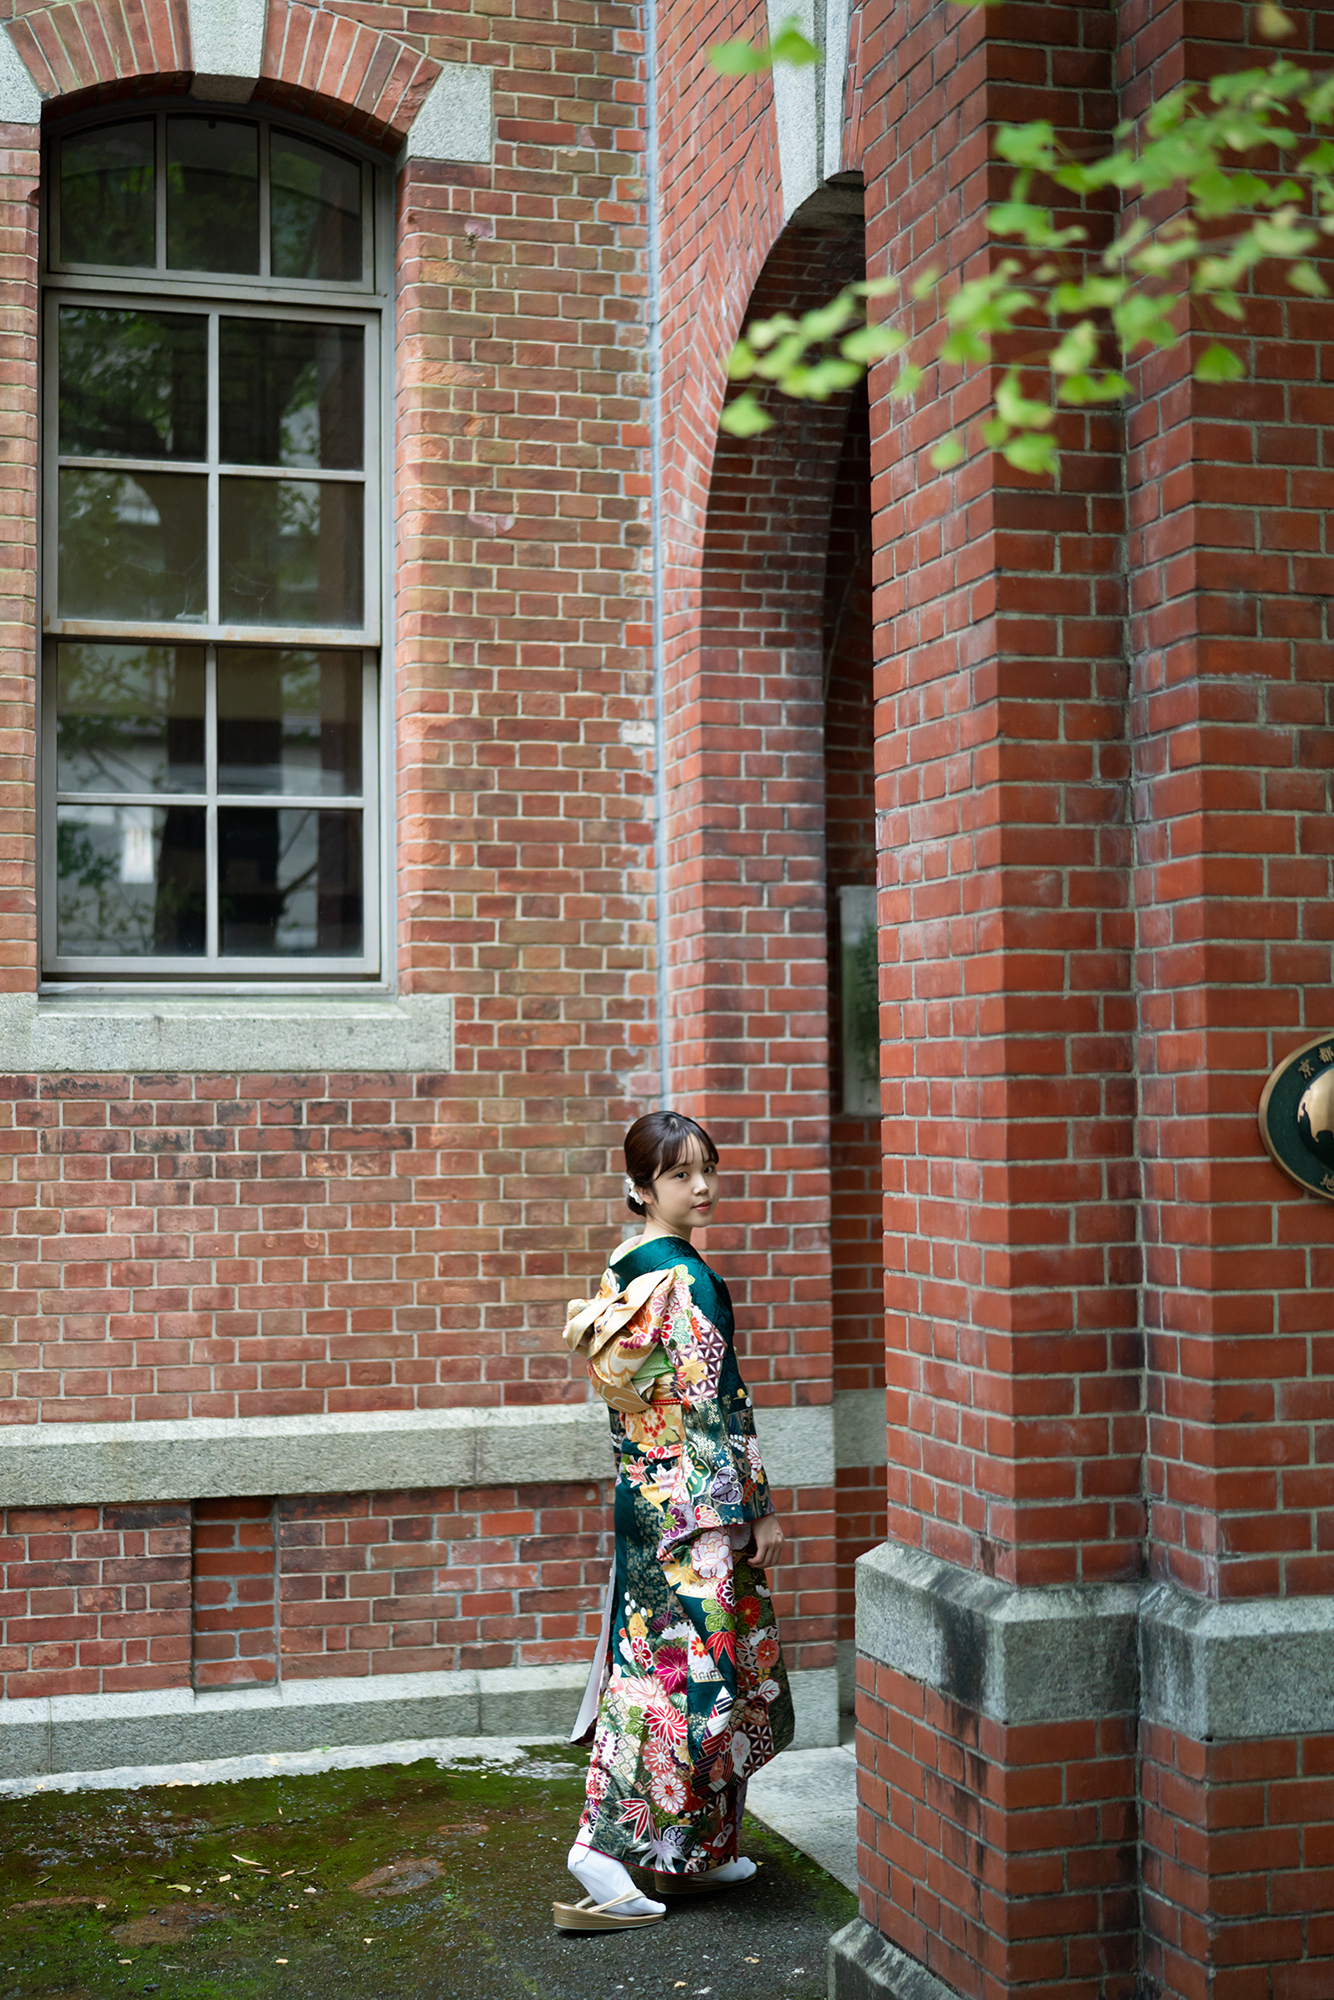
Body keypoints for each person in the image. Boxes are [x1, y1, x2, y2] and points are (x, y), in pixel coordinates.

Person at [552, 1111, 794, 1932]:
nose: (702, 1187)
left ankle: (692, 1851)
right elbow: (709, 1406)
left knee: (693, 1671)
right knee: (680, 1679)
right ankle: (600, 1848)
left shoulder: (627, 1266)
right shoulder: (684, 1279)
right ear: (641, 1188)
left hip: (648, 1496)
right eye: (681, 1175)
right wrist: (755, 1507)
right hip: (695, 1510)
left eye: (707, 1169)